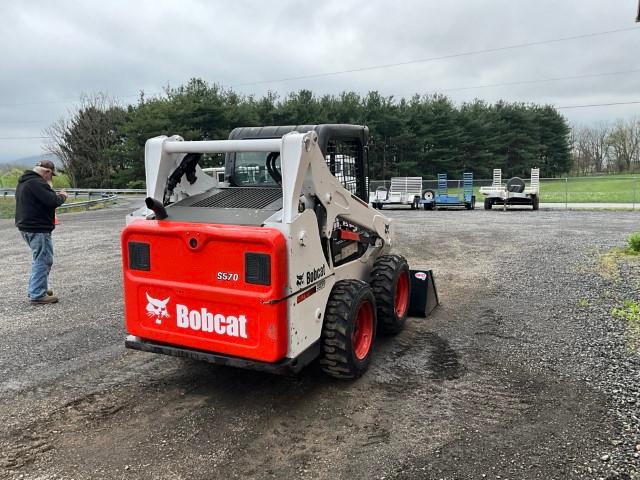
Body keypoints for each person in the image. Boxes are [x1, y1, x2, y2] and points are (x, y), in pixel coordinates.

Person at [15, 160, 68, 304]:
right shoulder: (37, 183)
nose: (51, 179)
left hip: (27, 227)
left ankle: (37, 288)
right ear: (47, 172)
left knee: (41, 259)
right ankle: (38, 294)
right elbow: (53, 201)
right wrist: (62, 195)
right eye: (51, 175)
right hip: (37, 228)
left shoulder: (25, 182)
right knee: (43, 260)